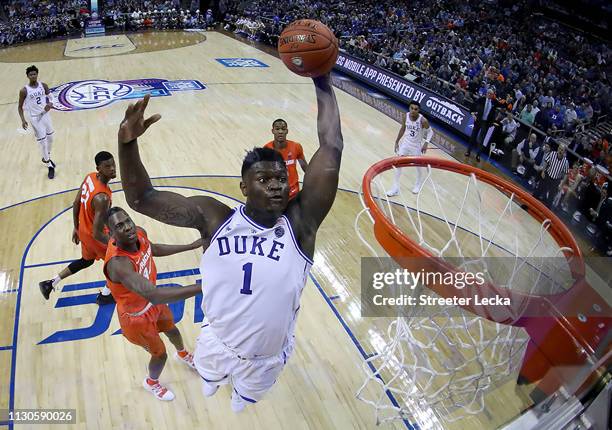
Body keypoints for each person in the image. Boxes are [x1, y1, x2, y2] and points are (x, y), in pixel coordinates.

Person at [116, 74, 343, 412]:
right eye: (263, 179)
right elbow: (142, 199)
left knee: (243, 404)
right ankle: (212, 380)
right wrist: (127, 144)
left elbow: (331, 148)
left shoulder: (301, 224)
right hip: (216, 342)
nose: (276, 186)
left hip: (267, 359)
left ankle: (239, 396)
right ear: (243, 187)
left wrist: (322, 80)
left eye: (281, 179)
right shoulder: (214, 217)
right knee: (209, 383)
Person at [103, 207, 203, 401]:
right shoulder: (118, 264)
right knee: (160, 354)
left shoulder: (138, 233)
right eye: (119, 226)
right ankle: (151, 382)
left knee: (172, 329)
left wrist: (190, 246)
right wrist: (203, 287)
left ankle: (183, 354)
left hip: (152, 304)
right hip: (136, 318)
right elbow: (155, 295)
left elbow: (152, 248)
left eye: (128, 221)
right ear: (111, 234)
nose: (128, 228)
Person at [39, 151, 117, 305]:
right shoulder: (102, 198)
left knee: (86, 261)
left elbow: (76, 203)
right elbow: (97, 232)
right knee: (118, 261)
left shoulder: (89, 177)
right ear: (99, 168)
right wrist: (115, 242)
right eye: (107, 166)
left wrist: (76, 228)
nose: (113, 169)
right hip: (95, 235)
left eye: (113, 164)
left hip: (83, 230)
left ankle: (51, 283)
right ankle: (106, 295)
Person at [386, 101, 433, 196]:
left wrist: (426, 143)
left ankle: (418, 184)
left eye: (416, 109)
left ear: (419, 110)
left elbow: (430, 132)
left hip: (416, 146)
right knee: (398, 165)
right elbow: (403, 128)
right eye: (411, 108)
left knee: (418, 167)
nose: (413, 110)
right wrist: (397, 141)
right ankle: (395, 188)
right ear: (409, 108)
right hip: (405, 144)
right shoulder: (406, 116)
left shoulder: (423, 120)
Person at [18, 65, 57, 179]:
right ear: (28, 76)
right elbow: (20, 107)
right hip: (35, 118)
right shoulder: (24, 90)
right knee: (43, 142)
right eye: (31, 74)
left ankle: (46, 157)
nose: (33, 76)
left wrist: (51, 103)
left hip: (45, 115)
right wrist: (23, 120)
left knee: (51, 139)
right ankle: (49, 165)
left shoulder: (43, 85)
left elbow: (52, 97)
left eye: (34, 74)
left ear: (37, 74)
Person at [263, 119, 308, 200]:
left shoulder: (296, 147)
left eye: (283, 129)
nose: (280, 131)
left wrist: (315, 181)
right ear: (273, 131)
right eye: (277, 129)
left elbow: (304, 166)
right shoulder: (266, 149)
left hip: (293, 192)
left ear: (287, 131)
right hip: (276, 192)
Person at [465, 88, 499, 162]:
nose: (489, 95)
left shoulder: (494, 103)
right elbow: (473, 106)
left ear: (493, 95)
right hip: (478, 121)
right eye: (488, 93)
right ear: (486, 93)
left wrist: (491, 123)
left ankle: (478, 155)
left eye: (491, 94)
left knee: (481, 140)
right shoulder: (481, 99)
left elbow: (494, 114)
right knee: (473, 137)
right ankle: (468, 151)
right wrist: (472, 113)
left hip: (485, 123)